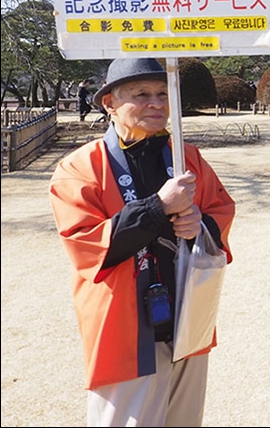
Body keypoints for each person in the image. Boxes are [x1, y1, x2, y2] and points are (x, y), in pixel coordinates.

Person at [49, 58, 236, 427]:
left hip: (187, 315)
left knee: (185, 420)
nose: (157, 103)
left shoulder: (186, 157)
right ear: (109, 104)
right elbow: (85, 244)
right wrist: (157, 208)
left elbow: (221, 208)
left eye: (163, 94)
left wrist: (201, 225)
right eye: (142, 94)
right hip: (124, 328)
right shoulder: (80, 167)